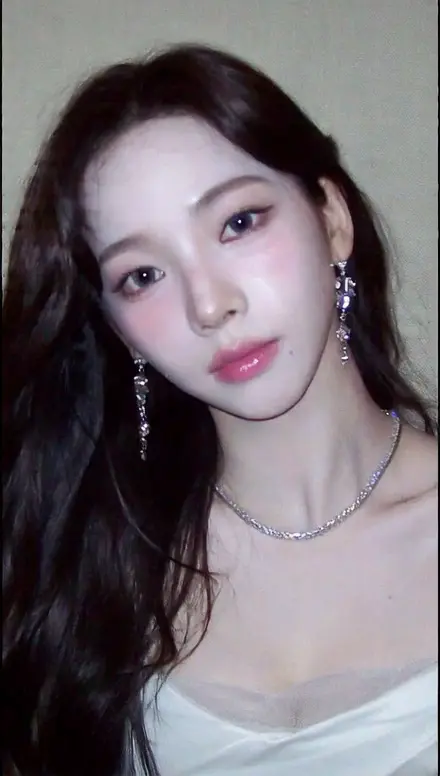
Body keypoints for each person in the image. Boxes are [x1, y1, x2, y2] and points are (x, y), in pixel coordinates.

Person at [2, 42, 437, 776]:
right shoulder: (90, 567)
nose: (209, 305)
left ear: (331, 219)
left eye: (239, 223)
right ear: (117, 328)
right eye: (143, 275)